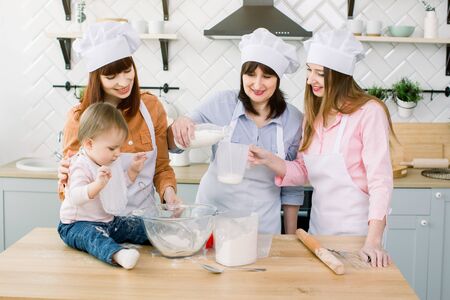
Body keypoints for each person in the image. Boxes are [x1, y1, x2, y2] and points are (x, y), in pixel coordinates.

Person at [248, 29, 394, 267]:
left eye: (320, 73)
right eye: (309, 70)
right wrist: (268, 159)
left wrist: (374, 241)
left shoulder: (369, 112)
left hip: (359, 237)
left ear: (340, 75)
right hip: (318, 235)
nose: (310, 79)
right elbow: (303, 171)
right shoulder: (314, 116)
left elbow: (381, 182)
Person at [171, 28, 304, 234]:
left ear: (277, 79)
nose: (257, 84)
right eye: (250, 74)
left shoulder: (294, 120)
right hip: (212, 217)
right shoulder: (222, 103)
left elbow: (292, 187)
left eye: (267, 76)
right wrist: (179, 125)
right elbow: (176, 147)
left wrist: (291, 238)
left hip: (262, 223)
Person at [58, 21, 180, 213]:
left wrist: (169, 194)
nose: (123, 82)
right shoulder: (78, 118)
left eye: (127, 71)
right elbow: (69, 192)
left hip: (143, 221)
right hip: (99, 223)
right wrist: (65, 180)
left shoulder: (151, 107)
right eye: (111, 76)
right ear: (97, 78)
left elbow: (162, 167)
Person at [58, 103, 149, 269]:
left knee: (135, 224)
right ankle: (118, 254)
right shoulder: (80, 165)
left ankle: (164, 236)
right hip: (77, 225)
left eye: (119, 147)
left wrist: (133, 171)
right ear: (89, 144)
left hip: (108, 222)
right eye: (112, 148)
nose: (118, 152)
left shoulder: (109, 160)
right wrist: (98, 185)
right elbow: (76, 196)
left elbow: (119, 187)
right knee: (93, 238)